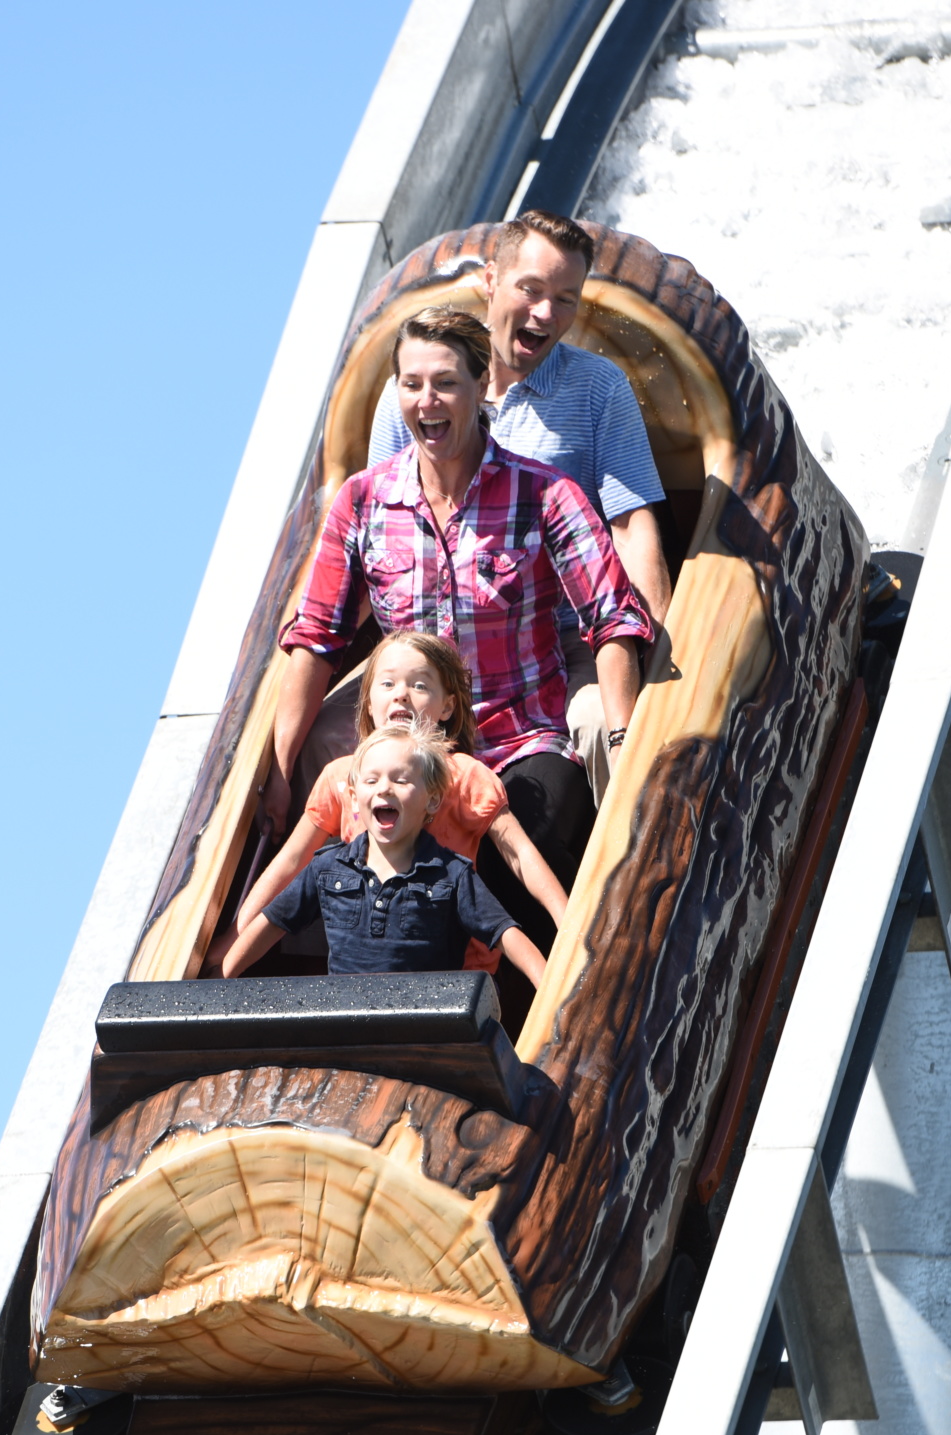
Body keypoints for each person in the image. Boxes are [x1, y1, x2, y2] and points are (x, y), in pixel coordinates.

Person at [266, 306, 652, 951]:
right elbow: (317, 636)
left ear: (482, 387)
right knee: (368, 856)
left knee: (537, 828)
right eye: (411, 384)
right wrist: (277, 772)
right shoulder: (364, 500)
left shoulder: (545, 493)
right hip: (402, 754)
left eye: (445, 382)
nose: (427, 400)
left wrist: (623, 733)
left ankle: (534, 1002)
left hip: (516, 736)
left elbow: (611, 617)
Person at [367, 208, 674, 800]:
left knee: (601, 726)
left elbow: (632, 526)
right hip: (434, 652)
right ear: (490, 281)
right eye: (531, 290)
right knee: (344, 743)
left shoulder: (596, 389)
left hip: (561, 641)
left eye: (565, 298)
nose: (545, 313)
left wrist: (657, 652)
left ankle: (621, 878)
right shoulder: (414, 393)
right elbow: (376, 532)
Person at [222, 631, 569, 978]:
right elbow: (291, 862)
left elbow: (520, 853)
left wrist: (567, 918)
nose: (401, 694)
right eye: (387, 684)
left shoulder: (463, 776)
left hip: (457, 975)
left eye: (419, 686)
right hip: (368, 970)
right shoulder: (341, 777)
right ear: (369, 704)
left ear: (447, 706)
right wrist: (232, 939)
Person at [221, 725, 548, 986]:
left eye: (401, 779)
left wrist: (546, 984)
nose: (384, 788)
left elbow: (504, 933)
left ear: (432, 801)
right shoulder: (329, 869)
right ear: (353, 797)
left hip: (426, 1028)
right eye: (372, 779)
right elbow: (273, 922)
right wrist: (223, 977)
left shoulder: (451, 874)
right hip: (346, 1028)